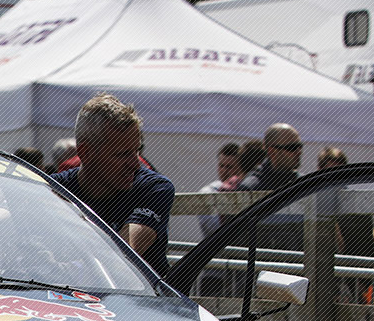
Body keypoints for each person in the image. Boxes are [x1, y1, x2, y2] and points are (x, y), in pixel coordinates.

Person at [52, 93, 174, 273]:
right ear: (86, 153)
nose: (135, 164)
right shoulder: (53, 189)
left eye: (136, 151)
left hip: (136, 292)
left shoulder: (154, 188)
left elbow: (122, 256)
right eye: (122, 154)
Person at [238, 123, 303, 192]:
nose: (299, 152)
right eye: (292, 147)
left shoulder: (304, 183)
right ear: (272, 151)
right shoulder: (252, 188)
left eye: (300, 146)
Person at [196, 142, 243, 236]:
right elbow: (212, 229)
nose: (224, 170)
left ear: (240, 167)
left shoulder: (246, 189)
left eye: (229, 167)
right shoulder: (208, 192)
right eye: (221, 165)